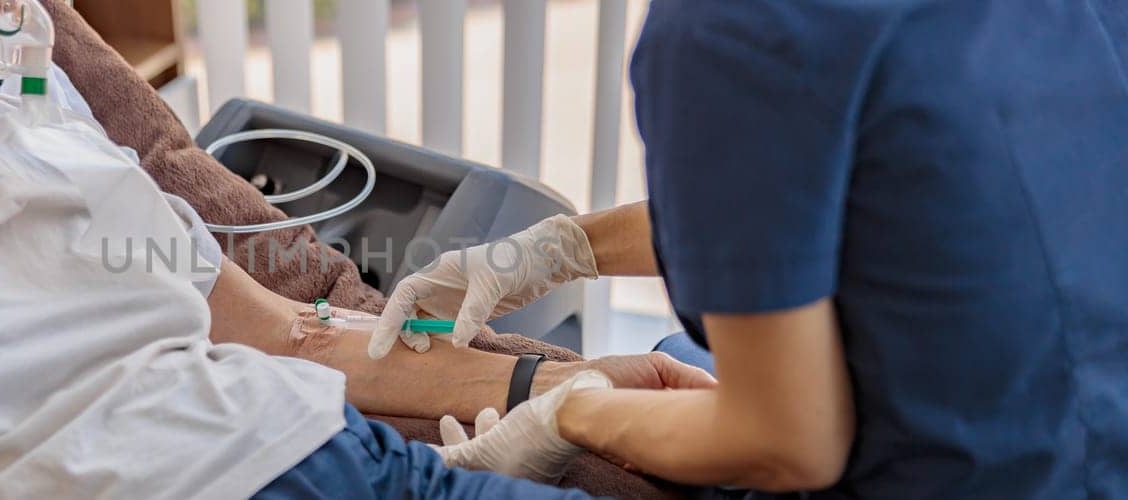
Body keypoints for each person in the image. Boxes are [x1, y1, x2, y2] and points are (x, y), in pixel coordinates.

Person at [0, 0, 720, 498]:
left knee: (760, 441)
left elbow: (279, 329)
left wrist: (560, 382)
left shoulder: (23, 108)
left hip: (359, 462)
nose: (11, 17)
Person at [373, 1, 1128, 498]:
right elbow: (852, 201)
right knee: (677, 349)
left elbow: (789, 443)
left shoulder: (727, 30)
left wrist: (571, 418)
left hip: (978, 472)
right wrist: (556, 248)